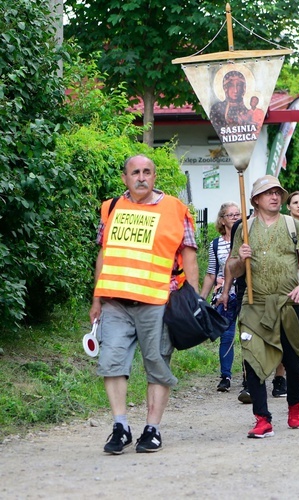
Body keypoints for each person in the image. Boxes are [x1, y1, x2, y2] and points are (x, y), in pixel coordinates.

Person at [91, 154, 199, 454]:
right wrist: (96, 298)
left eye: (147, 172)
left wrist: (192, 301)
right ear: (125, 177)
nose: (141, 177)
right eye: (135, 172)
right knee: (111, 363)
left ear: (154, 177)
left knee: (157, 363)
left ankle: (152, 429)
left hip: (158, 302)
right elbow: (103, 254)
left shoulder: (176, 210)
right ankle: (120, 426)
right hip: (115, 302)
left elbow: (189, 256)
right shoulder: (111, 208)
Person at [226, 175, 299, 438]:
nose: (275, 196)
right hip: (254, 304)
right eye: (268, 193)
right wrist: (240, 259)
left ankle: (295, 406)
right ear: (256, 199)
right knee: (253, 362)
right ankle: (262, 418)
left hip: (287, 303)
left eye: (278, 192)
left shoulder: (293, 225)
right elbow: (232, 269)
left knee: (292, 362)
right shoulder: (244, 228)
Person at [200, 201, 241, 392]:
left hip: (245, 291)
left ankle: (250, 377)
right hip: (226, 295)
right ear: (222, 220)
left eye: (237, 215)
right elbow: (210, 273)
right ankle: (226, 375)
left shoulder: (247, 240)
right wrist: (201, 298)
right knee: (227, 334)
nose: (235, 218)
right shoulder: (216, 244)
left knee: (250, 335)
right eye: (231, 215)